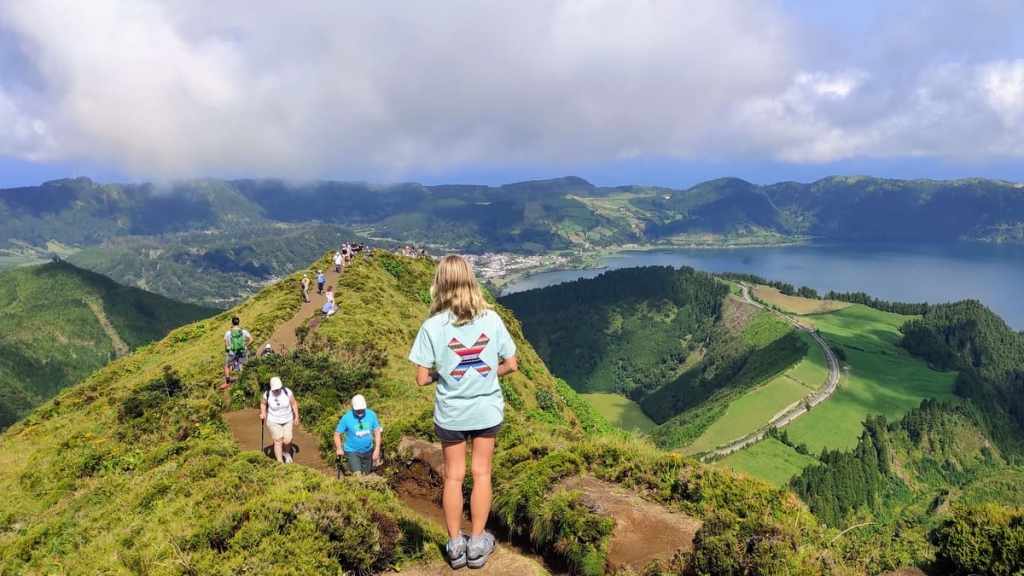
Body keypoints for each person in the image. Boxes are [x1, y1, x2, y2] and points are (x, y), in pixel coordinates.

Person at [408, 255, 518, 569]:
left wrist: (443, 375)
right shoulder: (491, 320)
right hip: (486, 409)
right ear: (471, 280)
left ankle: (455, 545)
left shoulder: (431, 327)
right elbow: (511, 364)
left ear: (440, 284)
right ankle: (478, 542)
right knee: (482, 473)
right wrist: (485, 373)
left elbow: (420, 378)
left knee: (454, 477)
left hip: (451, 412)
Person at [334, 394, 382, 475]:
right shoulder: (346, 418)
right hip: (352, 451)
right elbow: (337, 434)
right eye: (357, 410)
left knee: (366, 475)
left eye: (362, 410)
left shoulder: (371, 415)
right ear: (353, 408)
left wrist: (377, 449)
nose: (360, 412)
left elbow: (377, 431)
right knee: (358, 475)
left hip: (368, 451)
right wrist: (339, 448)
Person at [260, 376, 299, 463]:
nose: (277, 390)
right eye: (275, 388)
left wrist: (296, 416)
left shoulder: (287, 392)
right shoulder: (267, 394)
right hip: (273, 420)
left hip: (287, 419)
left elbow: (294, 403)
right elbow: (263, 404)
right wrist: (263, 413)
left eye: (278, 388)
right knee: (278, 440)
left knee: (288, 439)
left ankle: (286, 453)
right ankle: (280, 462)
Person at [222, 316, 253, 389]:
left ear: (232, 323)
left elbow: (226, 345)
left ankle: (227, 382)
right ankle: (243, 380)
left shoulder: (228, 333)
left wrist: (227, 351)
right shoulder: (243, 331)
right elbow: (251, 339)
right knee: (241, 365)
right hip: (242, 351)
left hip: (232, 352)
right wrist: (245, 346)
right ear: (238, 322)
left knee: (226, 366)